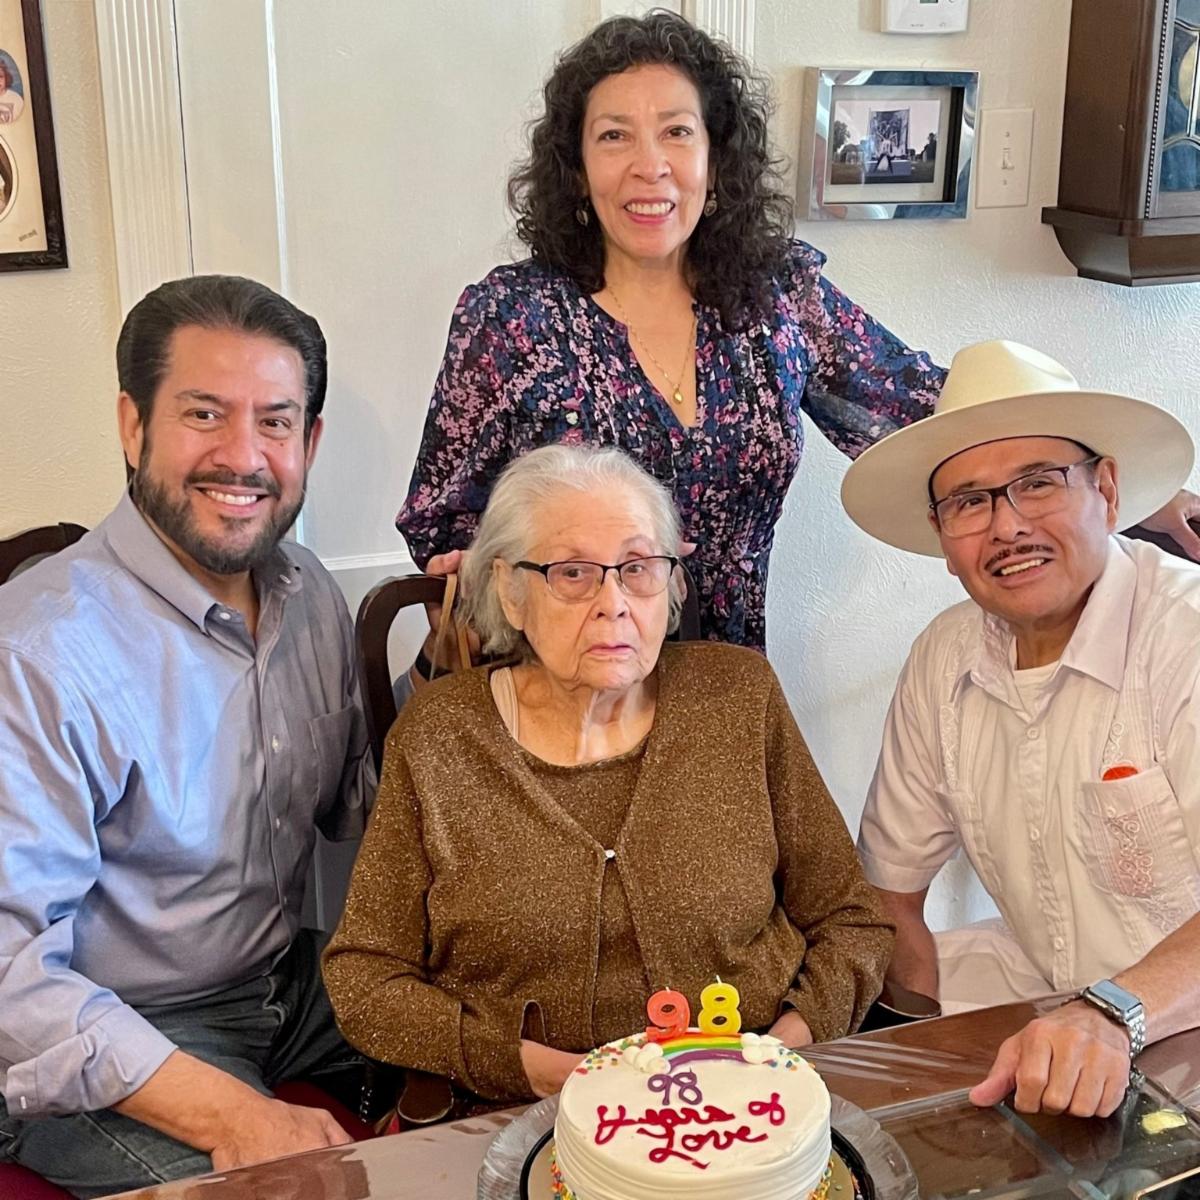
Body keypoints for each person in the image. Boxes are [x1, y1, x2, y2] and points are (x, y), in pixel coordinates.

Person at [326, 445, 892, 1102]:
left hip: (752, 1102)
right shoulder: (440, 734)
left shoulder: (739, 696)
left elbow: (852, 921)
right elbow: (365, 979)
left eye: (638, 567)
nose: (614, 603)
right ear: (510, 592)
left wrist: (779, 1050)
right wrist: (527, 1068)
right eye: (572, 573)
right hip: (526, 1114)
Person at [396, 10, 947, 658]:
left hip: (725, 686)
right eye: (614, 136)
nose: (650, 165)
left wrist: (1041, 456)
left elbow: (927, 414)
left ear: (715, 159)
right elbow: (443, 521)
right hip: (561, 686)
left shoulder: (778, 296)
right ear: (577, 169)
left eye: (677, 132)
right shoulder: (511, 316)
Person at [0, 276, 376, 1196]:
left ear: (309, 443)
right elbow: (9, 976)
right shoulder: (38, 651)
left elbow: (362, 812)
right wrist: (236, 1115)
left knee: (519, 1044)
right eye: (204, 414)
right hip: (112, 1032)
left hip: (290, 981)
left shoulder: (312, 598)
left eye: (275, 422)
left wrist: (458, 675)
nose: (243, 456)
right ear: (133, 427)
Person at [843, 339, 1200, 1120]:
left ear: (1108, 491)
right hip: (1063, 1021)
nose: (1006, 527)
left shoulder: (1187, 635)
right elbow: (891, 894)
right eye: (970, 502)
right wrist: (909, 1078)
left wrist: (1114, 1013)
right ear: (942, 537)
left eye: (1038, 484)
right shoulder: (944, 658)